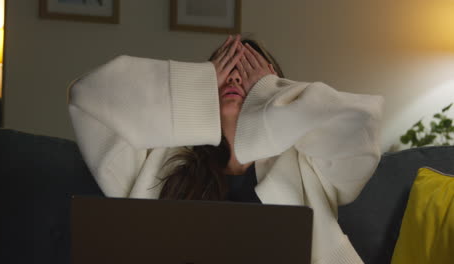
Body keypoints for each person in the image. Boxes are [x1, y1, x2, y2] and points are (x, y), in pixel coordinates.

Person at [67, 34, 384, 264]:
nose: (234, 75)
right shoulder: (156, 160)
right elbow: (87, 97)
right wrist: (197, 82)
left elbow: (358, 121)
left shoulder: (309, 165)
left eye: (249, 70)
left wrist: (270, 93)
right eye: (226, 65)